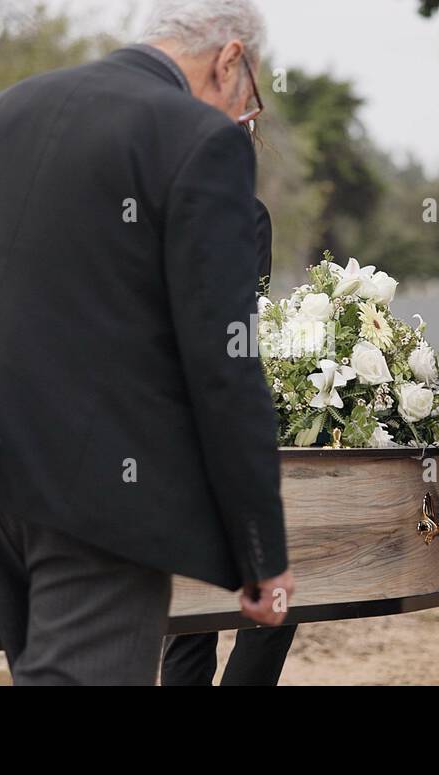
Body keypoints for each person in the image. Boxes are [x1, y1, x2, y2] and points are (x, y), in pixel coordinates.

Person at [0, 0, 293, 685]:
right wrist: (261, 548)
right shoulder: (198, 138)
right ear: (230, 59)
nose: (244, 116)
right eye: (251, 98)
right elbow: (223, 359)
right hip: (100, 495)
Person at [160, 197, 298, 686]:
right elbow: (237, 332)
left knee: (189, 616)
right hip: (214, 428)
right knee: (274, 604)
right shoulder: (243, 213)